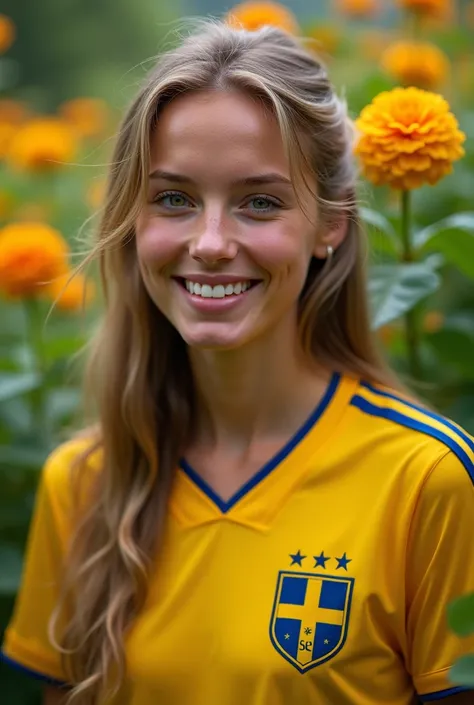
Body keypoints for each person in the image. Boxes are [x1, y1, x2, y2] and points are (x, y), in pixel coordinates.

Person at [1, 18, 474, 705]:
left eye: (259, 202)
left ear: (330, 222)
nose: (213, 242)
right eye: (174, 199)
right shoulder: (81, 483)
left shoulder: (427, 480)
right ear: (133, 221)